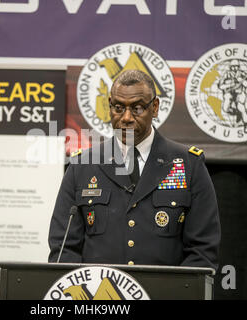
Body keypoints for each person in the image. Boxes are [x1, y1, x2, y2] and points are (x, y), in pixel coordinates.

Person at [48, 69, 220, 270]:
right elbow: (63, 249)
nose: (126, 117)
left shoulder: (188, 164)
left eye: (137, 108)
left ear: (154, 107)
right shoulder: (82, 166)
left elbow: (203, 251)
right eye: (118, 107)